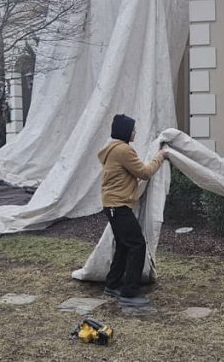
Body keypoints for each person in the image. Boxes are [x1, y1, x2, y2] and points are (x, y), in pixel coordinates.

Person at [99, 114, 166, 306]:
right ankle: (129, 293)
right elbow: (144, 173)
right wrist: (160, 157)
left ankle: (112, 284)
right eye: (133, 129)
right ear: (126, 131)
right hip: (117, 205)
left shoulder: (113, 149)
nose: (135, 132)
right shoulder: (123, 150)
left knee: (123, 244)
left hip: (112, 204)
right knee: (137, 244)